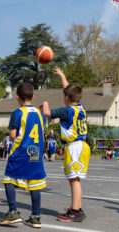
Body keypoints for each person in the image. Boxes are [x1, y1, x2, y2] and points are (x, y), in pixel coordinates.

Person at [41, 67, 89, 222]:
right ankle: (77, 208)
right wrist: (62, 75)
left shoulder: (67, 110)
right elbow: (68, 90)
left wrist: (45, 102)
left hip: (75, 146)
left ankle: (75, 211)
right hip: (81, 145)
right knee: (75, 179)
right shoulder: (79, 107)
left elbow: (47, 113)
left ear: (67, 98)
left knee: (74, 179)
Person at [0, 83, 46, 229]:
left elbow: (12, 135)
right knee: (35, 184)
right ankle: (35, 217)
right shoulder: (40, 114)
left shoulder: (17, 113)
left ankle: (13, 212)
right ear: (33, 96)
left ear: (17, 97)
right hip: (36, 153)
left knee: (8, 179)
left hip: (21, 152)